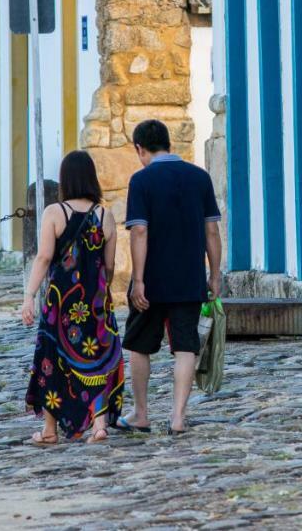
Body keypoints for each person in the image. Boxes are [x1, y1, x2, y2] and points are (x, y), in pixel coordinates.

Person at [117, 119, 223, 436]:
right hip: (190, 278)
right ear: (169, 144)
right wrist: (214, 274)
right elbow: (212, 231)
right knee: (186, 347)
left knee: (140, 346)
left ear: (140, 148)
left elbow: (139, 230)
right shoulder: (199, 178)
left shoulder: (142, 181)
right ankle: (177, 418)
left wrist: (138, 280)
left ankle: (141, 414)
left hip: (152, 281)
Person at [22, 150, 125, 445]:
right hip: (95, 300)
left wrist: (29, 296)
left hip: (61, 300)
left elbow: (43, 257)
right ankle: (100, 424)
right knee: (97, 359)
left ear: (66, 180)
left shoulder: (54, 213)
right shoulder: (105, 216)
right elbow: (109, 265)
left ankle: (50, 431)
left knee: (52, 358)